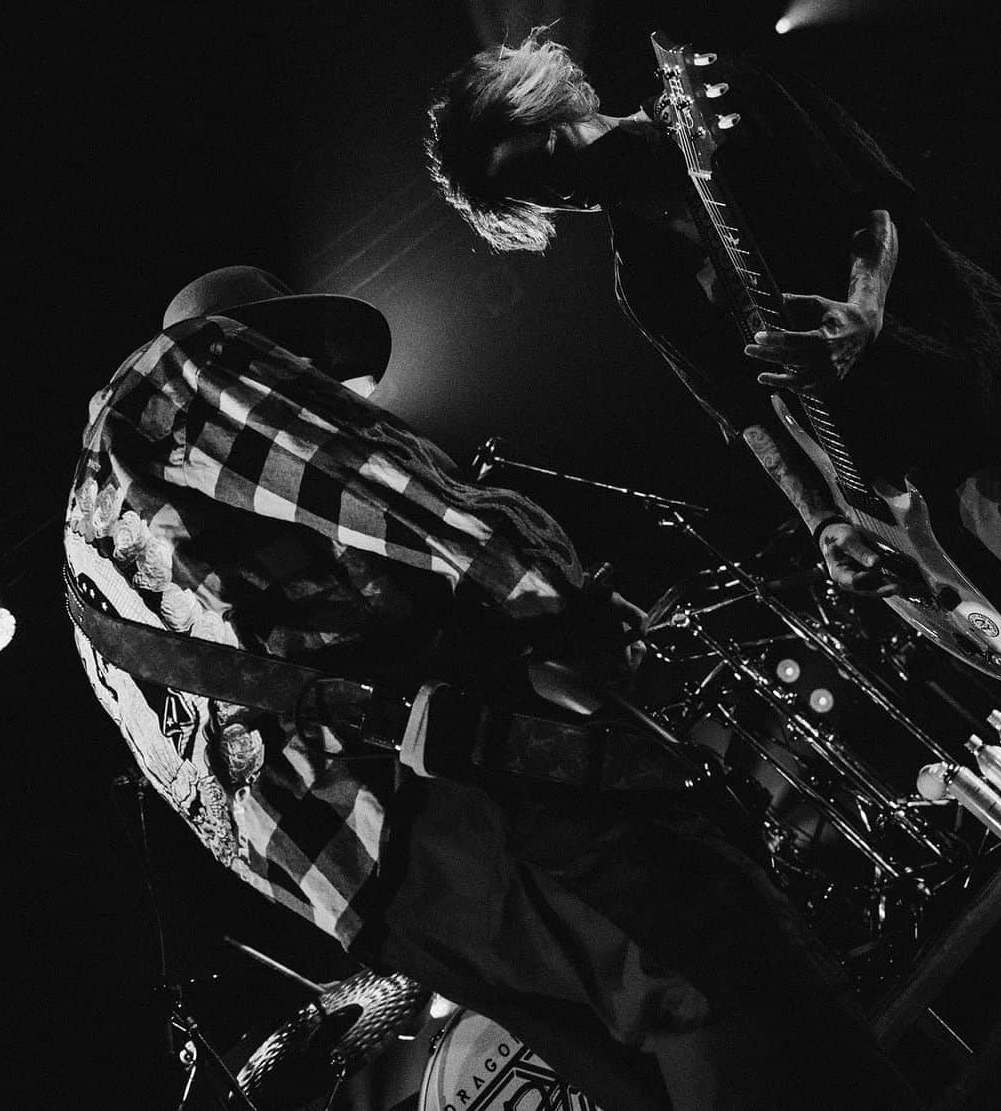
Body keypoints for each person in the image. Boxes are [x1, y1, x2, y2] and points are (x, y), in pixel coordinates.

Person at [64, 264, 922, 1109]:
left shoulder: (85, 552)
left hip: (369, 893)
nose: (333, 390)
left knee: (637, 1068)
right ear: (270, 347)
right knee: (704, 960)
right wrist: (558, 595)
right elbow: (407, 498)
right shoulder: (187, 366)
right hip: (437, 798)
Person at [426, 26, 1001, 612]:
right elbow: (747, 416)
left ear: (543, 105)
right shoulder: (643, 280)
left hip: (977, 387)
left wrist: (866, 309)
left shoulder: (723, 103)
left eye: (543, 160)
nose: (558, 190)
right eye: (529, 193)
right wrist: (823, 521)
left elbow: (877, 201)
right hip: (915, 489)